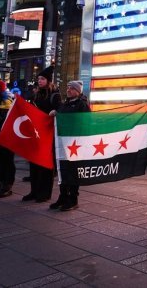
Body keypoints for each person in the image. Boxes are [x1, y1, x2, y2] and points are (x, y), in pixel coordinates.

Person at [48, 80, 90, 211]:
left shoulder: (82, 105)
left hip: (74, 144)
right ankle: (63, 196)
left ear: (78, 91)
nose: (68, 90)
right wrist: (55, 112)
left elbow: (85, 123)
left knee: (73, 172)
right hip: (62, 143)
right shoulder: (65, 104)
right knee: (63, 170)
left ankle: (73, 199)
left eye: (71, 88)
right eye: (68, 87)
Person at [25, 66, 61, 203]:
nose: (39, 81)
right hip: (36, 133)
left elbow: (60, 109)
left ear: (48, 80)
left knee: (45, 164)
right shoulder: (37, 94)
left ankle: (44, 193)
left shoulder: (55, 95)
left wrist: (54, 112)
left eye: (42, 79)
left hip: (48, 133)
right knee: (34, 162)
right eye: (39, 79)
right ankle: (34, 191)